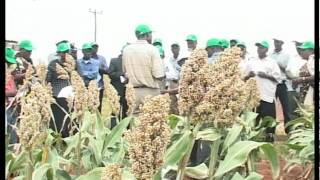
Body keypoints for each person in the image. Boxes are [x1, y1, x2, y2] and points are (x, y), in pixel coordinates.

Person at [122, 24, 165, 115]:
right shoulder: (153, 49)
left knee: (135, 122)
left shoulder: (126, 50)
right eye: (150, 34)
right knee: (151, 122)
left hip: (133, 92)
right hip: (150, 91)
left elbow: (124, 72)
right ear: (147, 35)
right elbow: (159, 75)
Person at [243, 41, 281, 142]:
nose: (259, 49)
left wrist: (266, 75)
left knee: (269, 118)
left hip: (267, 95)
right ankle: (252, 137)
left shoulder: (272, 62)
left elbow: (278, 78)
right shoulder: (251, 61)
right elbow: (243, 78)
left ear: (267, 49)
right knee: (253, 117)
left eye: (262, 48)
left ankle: (269, 137)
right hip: (253, 96)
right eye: (258, 47)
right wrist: (248, 76)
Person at [46, 42, 73, 138]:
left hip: (69, 96)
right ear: (59, 53)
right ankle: (57, 136)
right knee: (57, 119)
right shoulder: (53, 64)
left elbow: (78, 77)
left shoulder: (73, 64)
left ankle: (67, 136)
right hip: (57, 95)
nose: (64, 54)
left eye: (66, 52)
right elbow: (48, 79)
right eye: (62, 52)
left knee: (68, 118)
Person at [270, 38, 291, 132]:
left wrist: (277, 64)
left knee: (286, 109)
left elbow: (287, 70)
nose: (276, 43)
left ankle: (288, 131)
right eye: (275, 41)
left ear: (282, 43)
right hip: (272, 84)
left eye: (278, 41)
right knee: (271, 108)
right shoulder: (270, 55)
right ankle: (270, 132)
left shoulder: (286, 55)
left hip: (282, 84)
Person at [108, 46, 128, 126]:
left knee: (127, 110)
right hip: (117, 90)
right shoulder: (114, 61)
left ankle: (125, 127)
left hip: (128, 90)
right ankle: (113, 128)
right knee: (115, 110)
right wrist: (122, 75)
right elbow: (110, 73)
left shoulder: (131, 61)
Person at [291, 41, 314, 107]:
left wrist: (301, 79)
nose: (301, 52)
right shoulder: (308, 62)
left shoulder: (313, 59)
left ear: (311, 51)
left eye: (304, 50)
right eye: (301, 50)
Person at [6, 48, 19, 144]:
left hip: (11, 107)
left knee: (13, 133)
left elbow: (14, 90)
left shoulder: (9, 75)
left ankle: (13, 155)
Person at [91, 42, 109, 112]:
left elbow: (107, 70)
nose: (95, 49)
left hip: (99, 85)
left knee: (98, 104)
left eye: (96, 47)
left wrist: (100, 69)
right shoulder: (87, 58)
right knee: (91, 104)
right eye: (93, 47)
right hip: (90, 84)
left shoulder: (102, 58)